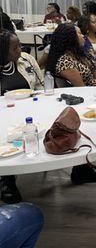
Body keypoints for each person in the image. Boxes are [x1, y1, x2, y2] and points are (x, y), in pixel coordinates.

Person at [45, 23, 96, 184]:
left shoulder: (80, 52)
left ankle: (84, 166)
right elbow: (81, 90)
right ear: (70, 39)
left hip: (95, 92)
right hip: (83, 101)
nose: (82, 36)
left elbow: (94, 69)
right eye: (79, 34)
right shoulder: (65, 62)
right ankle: (82, 169)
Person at [0, 30, 43, 204]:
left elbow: (40, 85)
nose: (20, 49)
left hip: (31, 110)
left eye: (19, 45)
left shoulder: (27, 60)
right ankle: (6, 180)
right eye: (15, 47)